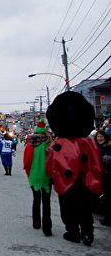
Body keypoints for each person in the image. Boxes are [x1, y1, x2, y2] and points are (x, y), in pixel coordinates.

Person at [46, 91, 103, 246]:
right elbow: (96, 163)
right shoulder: (89, 142)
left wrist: (50, 177)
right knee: (85, 207)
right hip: (86, 181)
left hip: (66, 182)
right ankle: (87, 232)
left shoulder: (58, 144)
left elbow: (50, 164)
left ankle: (73, 231)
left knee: (67, 206)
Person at [23, 120, 52, 237]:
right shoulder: (49, 144)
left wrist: (29, 173)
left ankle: (36, 223)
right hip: (47, 176)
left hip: (34, 176)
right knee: (46, 202)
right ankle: (47, 228)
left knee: (36, 199)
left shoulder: (30, 144)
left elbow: (27, 162)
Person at [95, 130, 111, 226]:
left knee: (108, 197)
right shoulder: (98, 147)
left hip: (108, 175)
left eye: (101, 136)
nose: (99, 138)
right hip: (103, 175)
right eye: (98, 137)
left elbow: (107, 160)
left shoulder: (108, 147)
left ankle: (108, 219)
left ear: (105, 137)